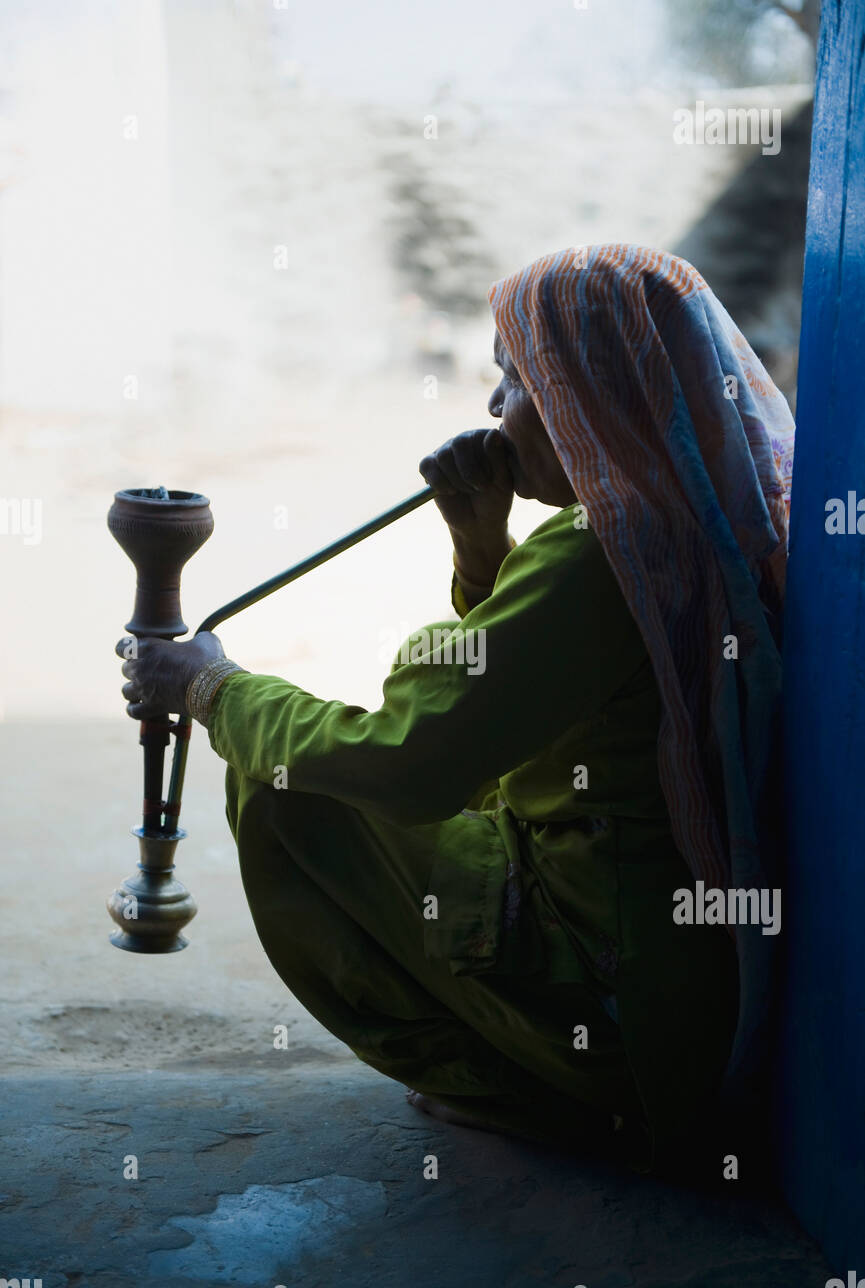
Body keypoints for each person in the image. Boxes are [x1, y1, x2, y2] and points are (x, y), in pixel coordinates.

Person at [117, 245, 794, 1175]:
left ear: (579, 397)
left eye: (515, 379)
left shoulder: (600, 553)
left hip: (620, 1014)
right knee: (383, 771)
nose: (492, 410)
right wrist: (481, 550)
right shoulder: (693, 506)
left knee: (290, 785)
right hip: (678, 987)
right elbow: (548, 702)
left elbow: (411, 761)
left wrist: (208, 689)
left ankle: (517, 1082)